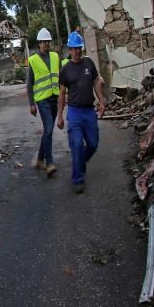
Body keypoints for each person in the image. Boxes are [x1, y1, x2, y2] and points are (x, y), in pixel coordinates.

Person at [56, 31, 106, 193]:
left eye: (79, 48)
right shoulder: (65, 70)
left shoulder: (89, 64)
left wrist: (101, 100)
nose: (78, 51)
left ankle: (80, 163)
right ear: (69, 49)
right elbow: (62, 95)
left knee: (93, 143)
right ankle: (78, 178)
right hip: (75, 112)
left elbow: (96, 82)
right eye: (74, 48)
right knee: (77, 144)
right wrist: (60, 117)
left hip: (89, 111)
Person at [26, 28, 60, 176]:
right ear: (39, 43)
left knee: (48, 130)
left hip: (54, 98)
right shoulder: (33, 60)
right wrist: (31, 104)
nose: (46, 44)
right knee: (49, 129)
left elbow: (61, 76)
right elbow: (29, 84)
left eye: (48, 41)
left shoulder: (55, 56)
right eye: (43, 42)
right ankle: (49, 162)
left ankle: (40, 159)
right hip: (42, 100)